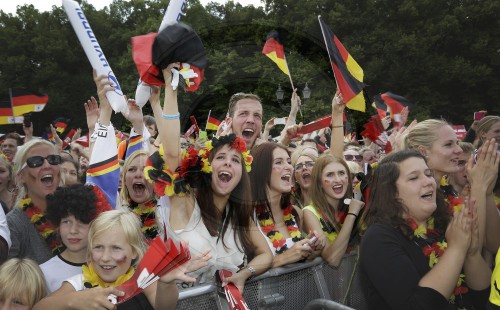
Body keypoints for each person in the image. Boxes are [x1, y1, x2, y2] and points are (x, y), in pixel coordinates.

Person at [145, 65, 272, 292]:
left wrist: (244, 274)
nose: (227, 163)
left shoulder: (237, 213)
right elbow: (172, 151)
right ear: (206, 167)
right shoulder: (185, 201)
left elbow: (266, 255)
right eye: (220, 157)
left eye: (235, 161)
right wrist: (171, 90)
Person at [360, 150, 491, 309]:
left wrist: (471, 253)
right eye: (414, 178)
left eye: (428, 174)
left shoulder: (445, 224)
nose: (428, 182)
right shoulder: (378, 238)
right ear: (391, 192)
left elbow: (483, 298)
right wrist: (456, 249)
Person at [34, 209, 200, 309]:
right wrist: (75, 299)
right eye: (98, 247)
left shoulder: (142, 280)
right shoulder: (78, 283)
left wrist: (166, 283)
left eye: (116, 248)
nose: (105, 258)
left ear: (134, 252)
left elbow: (165, 307)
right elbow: (40, 307)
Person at [402, 119, 500, 254]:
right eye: (449, 144)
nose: (459, 150)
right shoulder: (413, 198)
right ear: (423, 151)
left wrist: (487, 192)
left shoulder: (447, 194)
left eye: (457, 143)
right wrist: (479, 185)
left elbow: (493, 245)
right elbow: (472, 247)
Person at [251, 142, 321, 268]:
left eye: (289, 161)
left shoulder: (296, 213)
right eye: (279, 162)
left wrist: (310, 252)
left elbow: (297, 260)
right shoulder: (248, 216)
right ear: (261, 170)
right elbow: (243, 269)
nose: (289, 167)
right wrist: (284, 257)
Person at [40, 183, 112, 293]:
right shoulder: (43, 273)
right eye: (66, 222)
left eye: (82, 221)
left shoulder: (110, 267)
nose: (73, 230)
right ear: (57, 224)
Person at [302, 154, 365, 267]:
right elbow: (333, 259)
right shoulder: (309, 213)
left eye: (341, 173)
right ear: (319, 183)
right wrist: (352, 214)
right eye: (330, 175)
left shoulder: (357, 205)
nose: (337, 180)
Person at [7, 139, 63, 264]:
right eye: (36, 162)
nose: (47, 165)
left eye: (53, 159)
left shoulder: (75, 211)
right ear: (21, 177)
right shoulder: (13, 225)